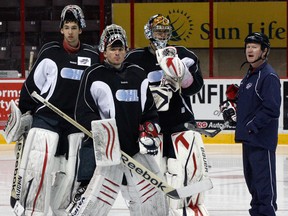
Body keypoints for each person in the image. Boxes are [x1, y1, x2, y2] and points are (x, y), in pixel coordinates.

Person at [68, 24, 169, 216]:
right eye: (112, 49)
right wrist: (103, 133)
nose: (117, 53)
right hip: (106, 154)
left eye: (120, 49)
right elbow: (83, 112)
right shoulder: (93, 74)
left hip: (135, 151)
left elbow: (150, 112)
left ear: (126, 50)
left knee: (153, 202)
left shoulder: (138, 74)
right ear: (104, 51)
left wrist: (149, 131)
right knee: (93, 205)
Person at [11, 5, 99, 215]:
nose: (70, 32)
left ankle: (63, 209)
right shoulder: (50, 51)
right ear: (61, 30)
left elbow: (95, 91)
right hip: (48, 117)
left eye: (74, 27)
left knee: (72, 173)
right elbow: (31, 87)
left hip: (76, 122)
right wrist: (26, 112)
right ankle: (33, 208)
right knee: (40, 157)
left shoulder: (92, 55)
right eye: (66, 27)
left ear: (81, 30)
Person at [125, 14, 209, 216]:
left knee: (191, 176)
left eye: (165, 31)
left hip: (181, 125)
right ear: (149, 33)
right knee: (155, 181)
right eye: (157, 31)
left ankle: (191, 210)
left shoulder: (183, 55)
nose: (162, 34)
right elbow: (128, 92)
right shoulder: (134, 59)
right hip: (151, 129)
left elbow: (195, 87)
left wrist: (182, 76)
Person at [220, 32, 281, 216]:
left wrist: (250, 125)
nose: (250, 50)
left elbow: (271, 109)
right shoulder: (251, 74)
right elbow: (250, 104)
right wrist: (232, 106)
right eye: (248, 47)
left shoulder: (268, 76)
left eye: (254, 47)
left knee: (264, 191)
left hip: (261, 142)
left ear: (264, 51)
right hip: (249, 140)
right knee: (254, 188)